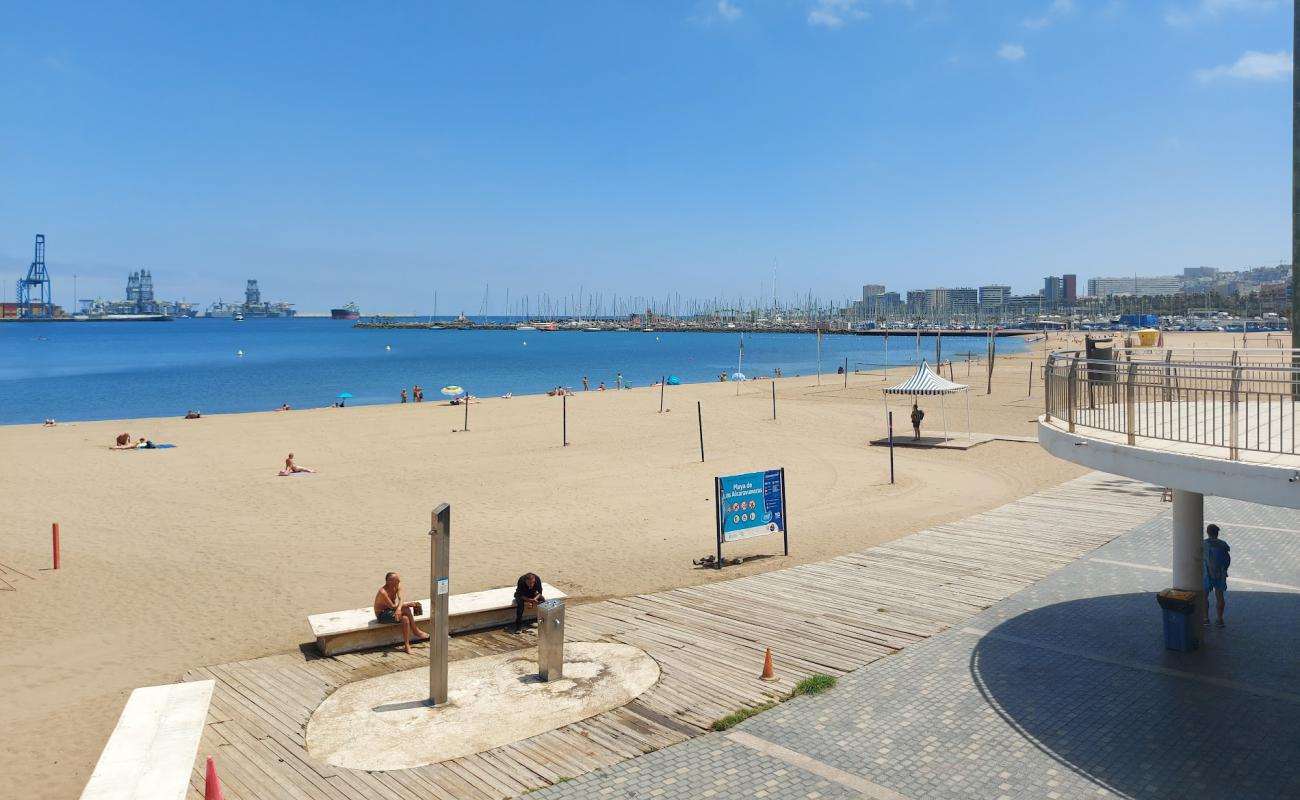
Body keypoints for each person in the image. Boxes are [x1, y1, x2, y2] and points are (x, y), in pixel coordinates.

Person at [374, 572, 429, 654]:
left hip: (392, 610)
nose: (399, 581)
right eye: (397, 580)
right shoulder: (383, 592)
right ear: (389, 581)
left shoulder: (397, 586)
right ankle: (415, 630)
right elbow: (392, 606)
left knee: (405, 619)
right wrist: (406, 605)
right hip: (383, 615)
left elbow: (401, 598)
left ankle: (407, 646)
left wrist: (399, 608)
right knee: (406, 609)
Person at [1203, 524, 1231, 627]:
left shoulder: (1204, 544)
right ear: (1217, 533)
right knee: (1220, 596)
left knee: (1204, 597)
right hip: (1220, 574)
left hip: (1207, 574)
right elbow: (1228, 554)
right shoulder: (1223, 544)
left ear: (1207, 532)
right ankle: (1219, 619)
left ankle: (1205, 619)